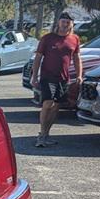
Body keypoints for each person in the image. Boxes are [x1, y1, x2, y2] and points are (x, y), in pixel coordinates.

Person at [30, 12, 82, 147]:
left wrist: (79, 75)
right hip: (48, 76)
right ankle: (41, 135)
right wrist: (34, 76)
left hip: (64, 78)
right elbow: (38, 58)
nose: (65, 24)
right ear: (58, 23)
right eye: (63, 21)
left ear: (72, 24)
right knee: (47, 104)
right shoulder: (47, 38)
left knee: (57, 106)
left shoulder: (74, 39)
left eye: (68, 22)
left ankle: (47, 134)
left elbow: (77, 59)